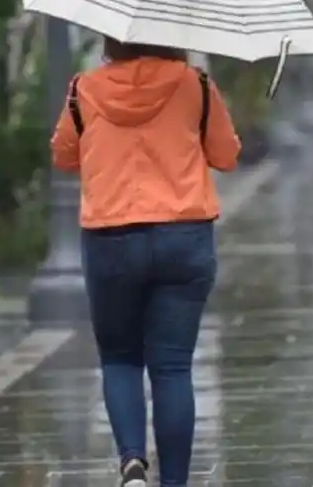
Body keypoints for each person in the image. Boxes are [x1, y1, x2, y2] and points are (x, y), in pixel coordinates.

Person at [51, 37, 241, 487]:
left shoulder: (85, 89)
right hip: (184, 237)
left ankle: (132, 465)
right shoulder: (194, 85)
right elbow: (227, 156)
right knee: (172, 366)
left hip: (111, 239)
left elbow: (63, 156)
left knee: (120, 359)